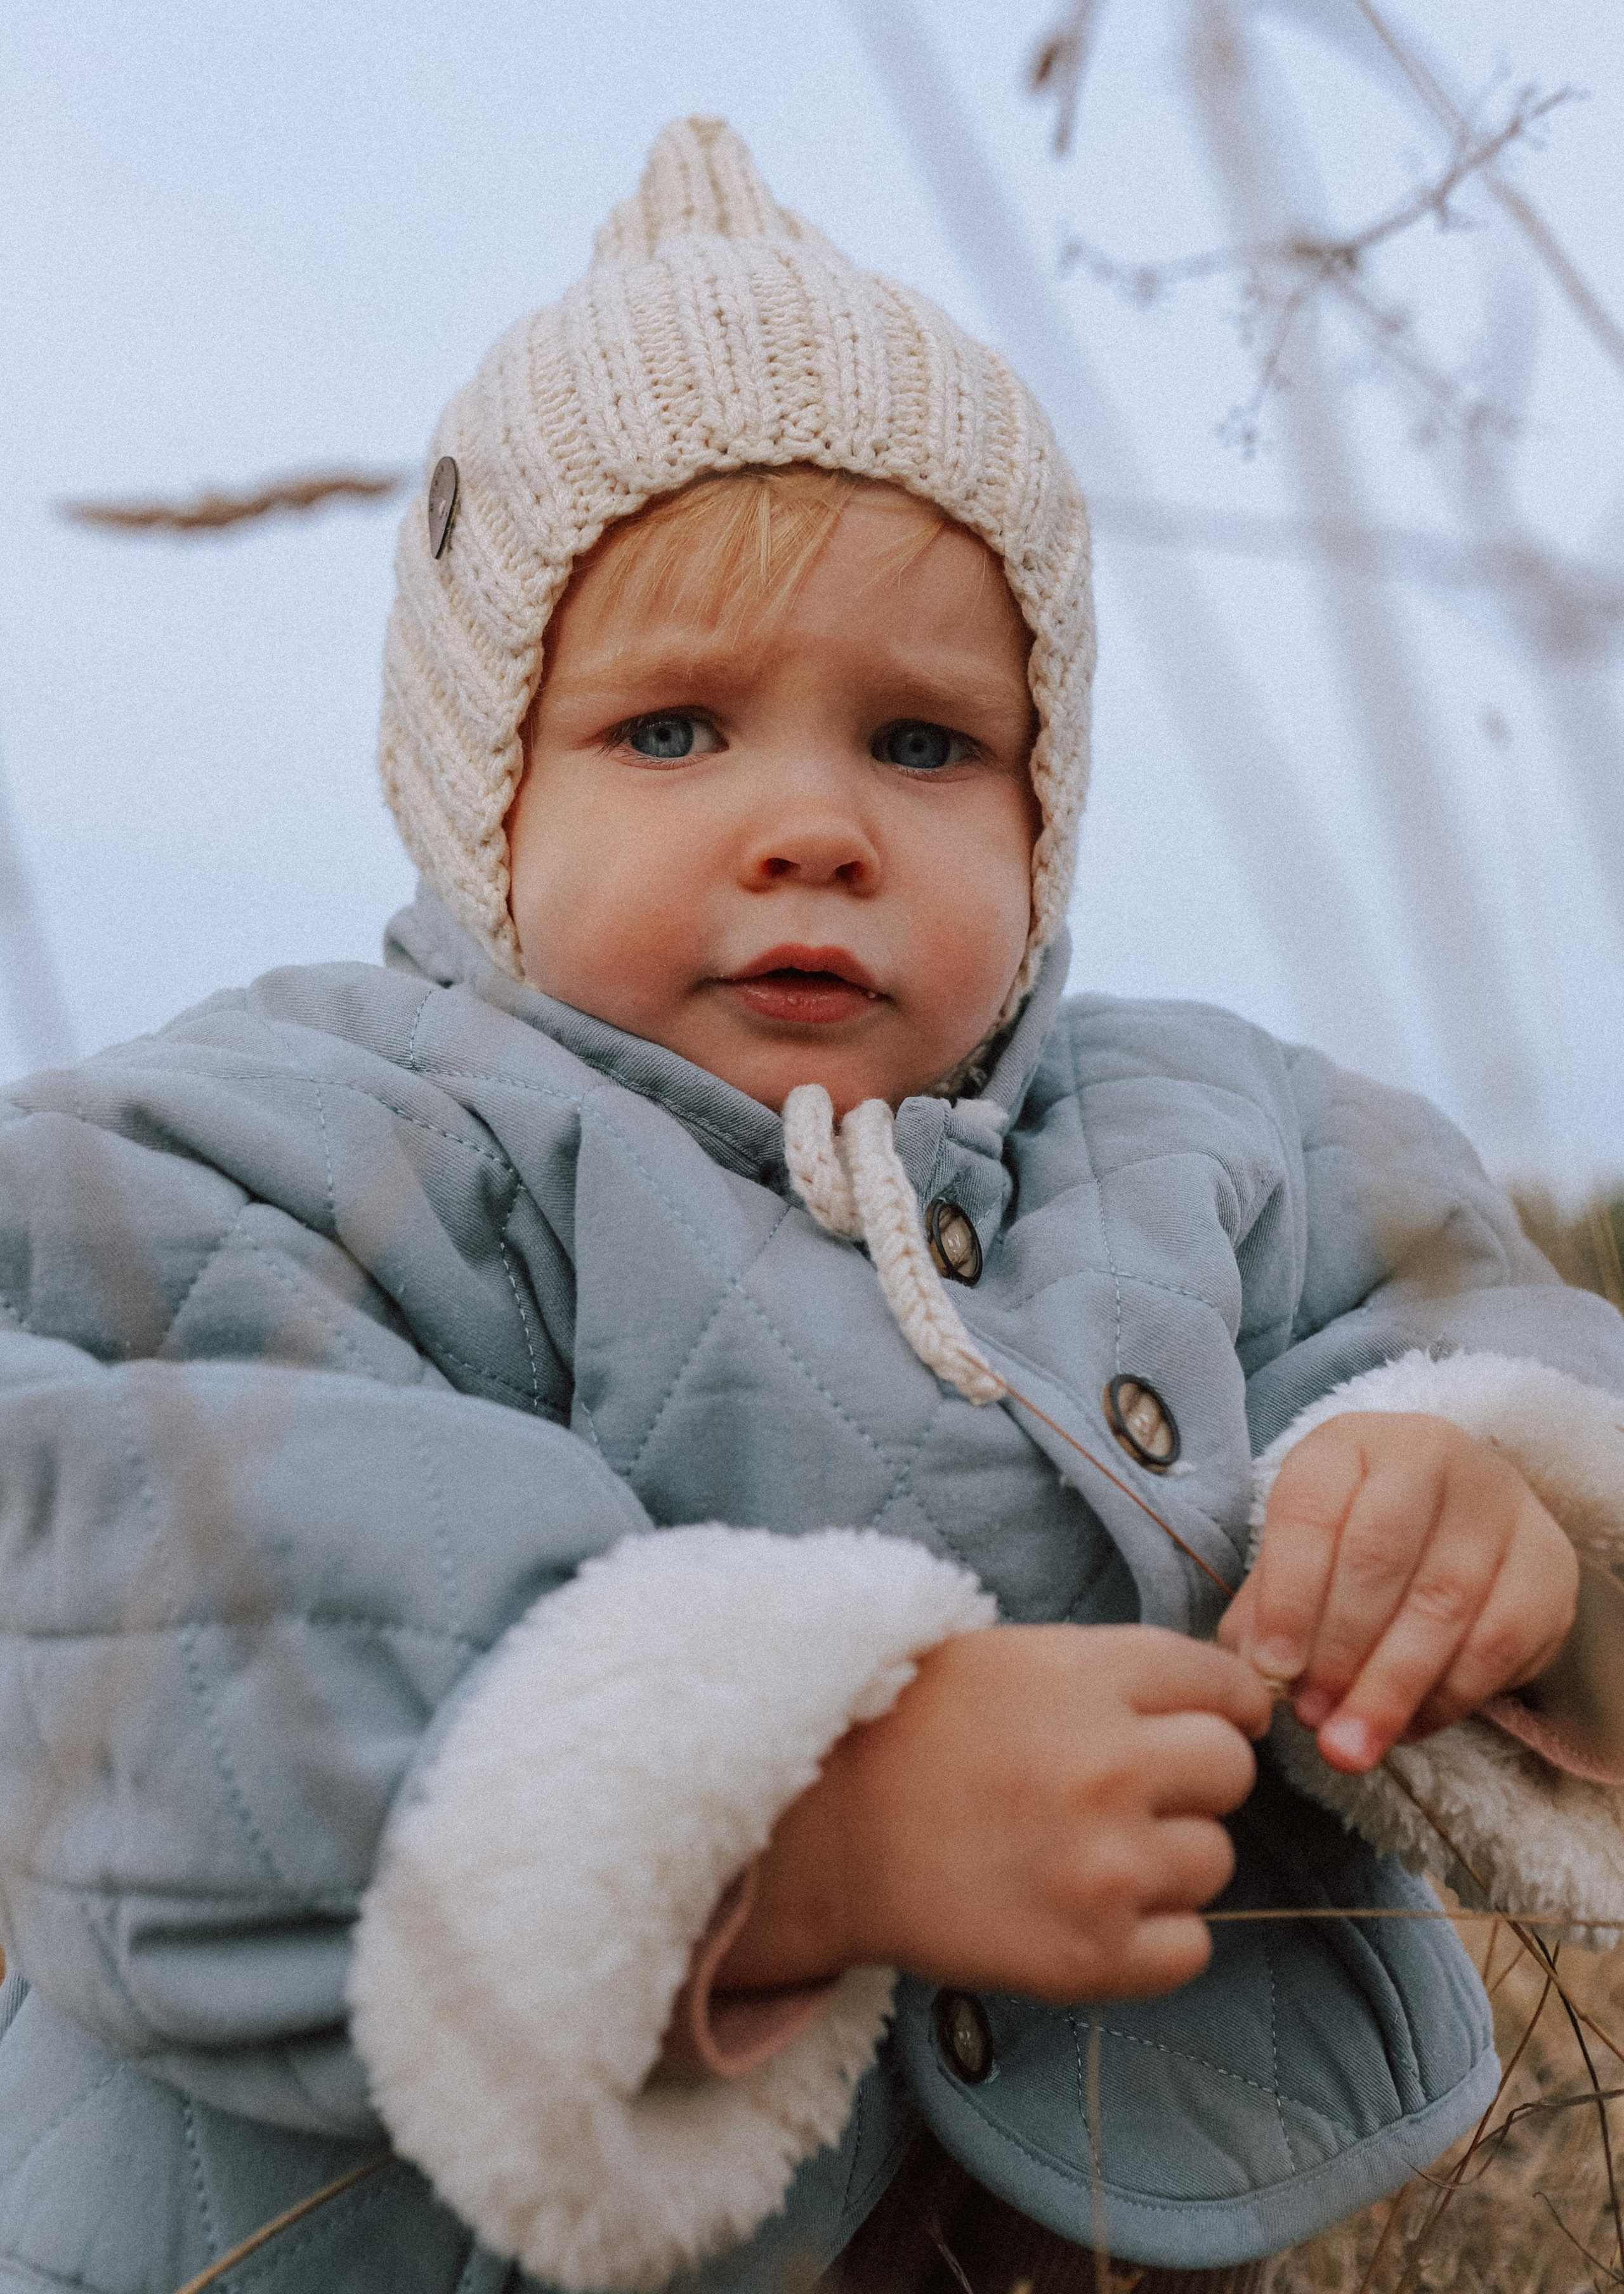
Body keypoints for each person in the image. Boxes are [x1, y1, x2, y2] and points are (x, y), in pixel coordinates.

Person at [1, 117, 1621, 2294]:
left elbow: (1497, 1329)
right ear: (479, 793)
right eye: (671, 733)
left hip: (1089, 2220)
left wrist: (1494, 1513)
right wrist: (794, 1819)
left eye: (927, 745)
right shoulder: (310, 1133)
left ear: (1049, 815)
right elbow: (133, 1575)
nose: (811, 825)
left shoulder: (1213, 1127)